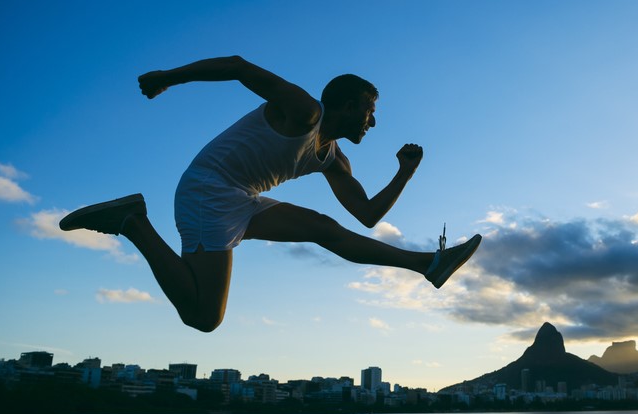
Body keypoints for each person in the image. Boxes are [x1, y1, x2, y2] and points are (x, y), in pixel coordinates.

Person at [60, 56, 481, 333]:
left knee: (324, 228)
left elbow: (367, 215)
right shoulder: (305, 112)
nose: (374, 122)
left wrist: (404, 174)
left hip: (243, 198)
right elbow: (239, 67)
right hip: (207, 189)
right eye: (371, 111)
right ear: (350, 106)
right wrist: (168, 79)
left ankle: (429, 264)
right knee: (204, 317)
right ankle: (133, 222)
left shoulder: (332, 157)